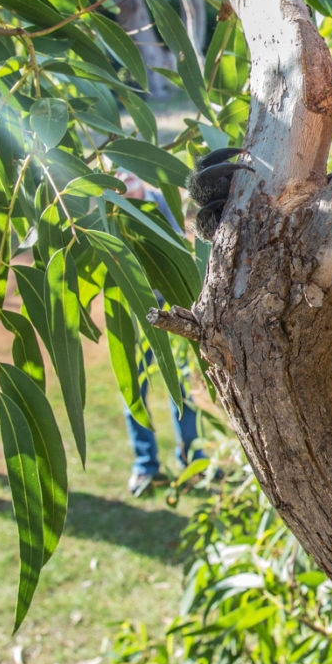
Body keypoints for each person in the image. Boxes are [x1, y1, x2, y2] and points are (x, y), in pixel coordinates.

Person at [115, 171, 206, 498]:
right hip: (133, 309)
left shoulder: (161, 204)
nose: (123, 177)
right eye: (114, 171)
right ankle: (145, 466)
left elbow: (181, 248)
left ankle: (192, 457)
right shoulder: (109, 214)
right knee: (133, 387)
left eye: (127, 170)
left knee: (182, 385)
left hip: (171, 305)